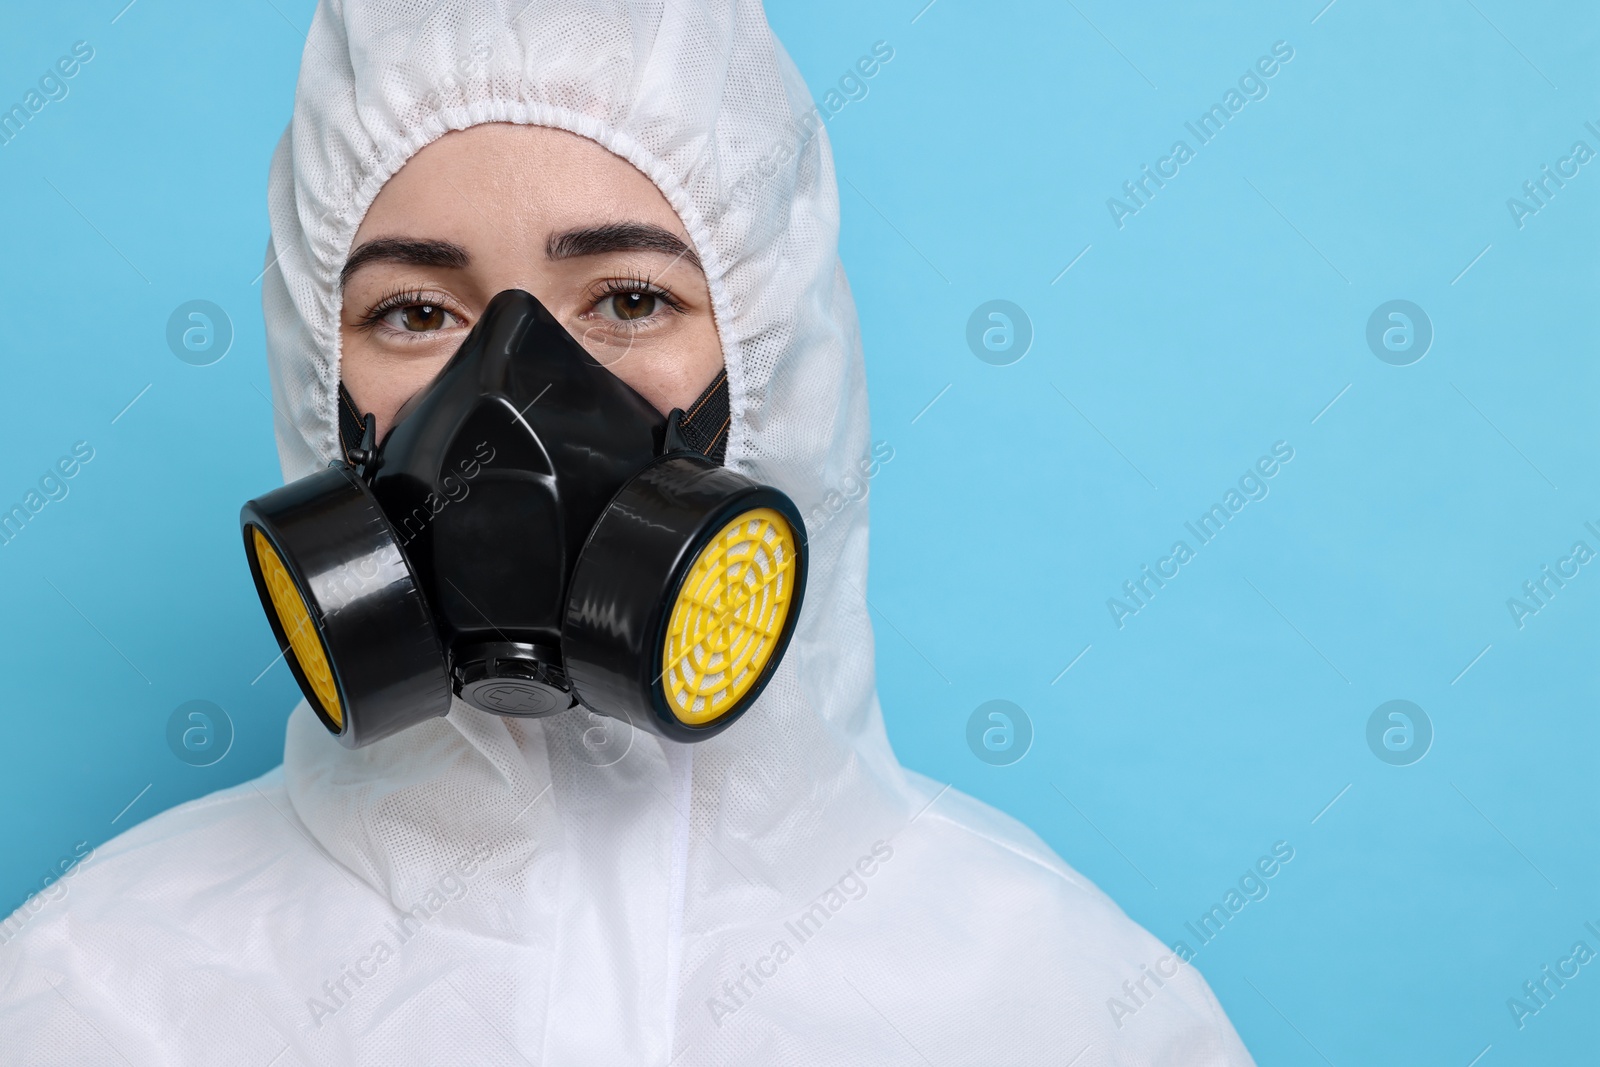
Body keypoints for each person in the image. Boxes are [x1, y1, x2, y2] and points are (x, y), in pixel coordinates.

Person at [0, 2, 1255, 1063]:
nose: (506, 401)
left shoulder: (1063, 1008)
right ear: (315, 383)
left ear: (777, 359)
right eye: (417, 310)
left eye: (631, 296)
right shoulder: (94, 993)